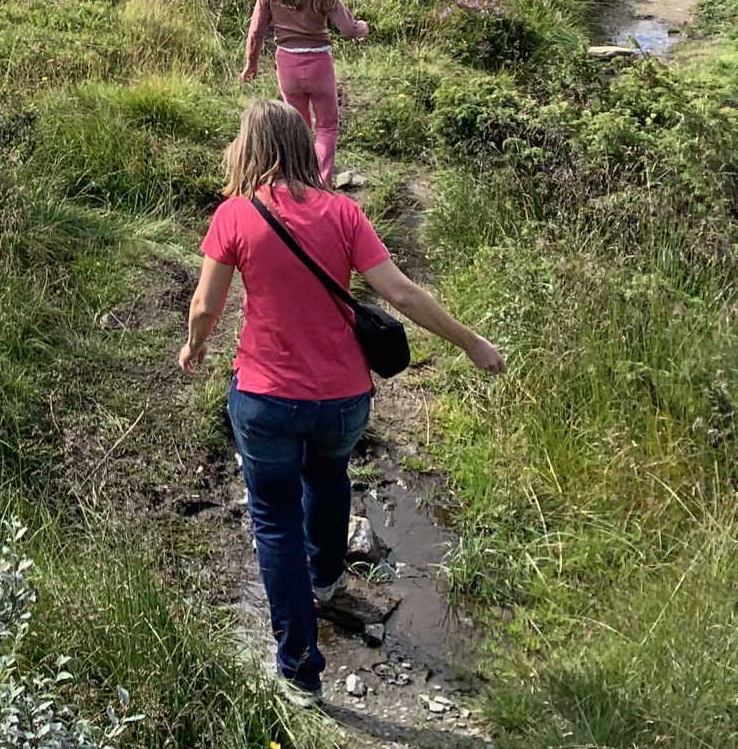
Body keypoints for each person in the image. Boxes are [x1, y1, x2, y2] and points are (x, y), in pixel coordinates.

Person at [180, 103, 504, 709]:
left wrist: (194, 345)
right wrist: (472, 343)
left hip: (266, 397)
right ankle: (327, 578)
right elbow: (401, 292)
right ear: (302, 147)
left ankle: (300, 670)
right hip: (343, 397)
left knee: (274, 522)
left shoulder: (234, 215)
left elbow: (205, 306)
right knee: (328, 475)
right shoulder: (344, 213)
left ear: (248, 149)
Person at [241, 0, 368, 186]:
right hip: (319, 64)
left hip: (287, 64)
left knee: (298, 126)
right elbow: (347, 29)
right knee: (327, 127)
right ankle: (320, 184)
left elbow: (255, 33)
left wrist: (251, 64)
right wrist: (361, 28)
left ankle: (298, 180)